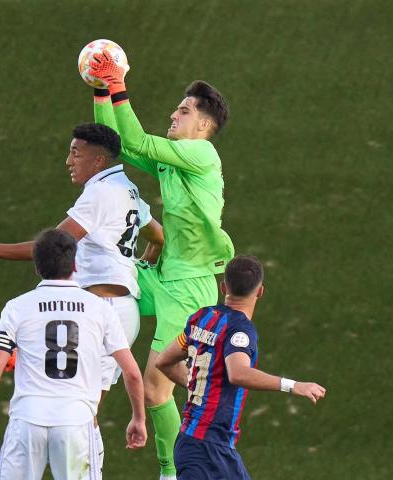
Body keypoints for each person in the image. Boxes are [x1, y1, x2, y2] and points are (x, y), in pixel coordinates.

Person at [0, 122, 163, 470]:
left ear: (98, 160)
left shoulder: (99, 193)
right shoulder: (128, 189)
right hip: (120, 308)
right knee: (80, 406)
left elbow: (53, 245)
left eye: (76, 153)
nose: (68, 161)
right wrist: (138, 269)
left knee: (81, 411)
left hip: (101, 307)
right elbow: (159, 238)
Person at [89, 52, 235, 479]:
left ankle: (173, 473)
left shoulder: (203, 154)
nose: (174, 114)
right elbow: (120, 144)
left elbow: (139, 141)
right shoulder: (175, 162)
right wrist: (101, 92)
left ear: (203, 125)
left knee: (155, 390)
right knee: (101, 280)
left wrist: (118, 84)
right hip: (163, 276)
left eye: (183, 111)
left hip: (189, 286)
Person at [0, 229, 147, 480]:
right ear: (75, 265)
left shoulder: (17, 307)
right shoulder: (101, 310)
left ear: (37, 267)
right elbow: (132, 373)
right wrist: (138, 418)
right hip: (75, 422)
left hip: (27, 420)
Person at [155, 255, 326, 479]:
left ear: (223, 287)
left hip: (199, 444)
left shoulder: (201, 318)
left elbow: (163, 361)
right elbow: (238, 373)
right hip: (208, 447)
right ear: (260, 291)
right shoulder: (240, 329)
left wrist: (199, 385)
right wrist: (292, 385)